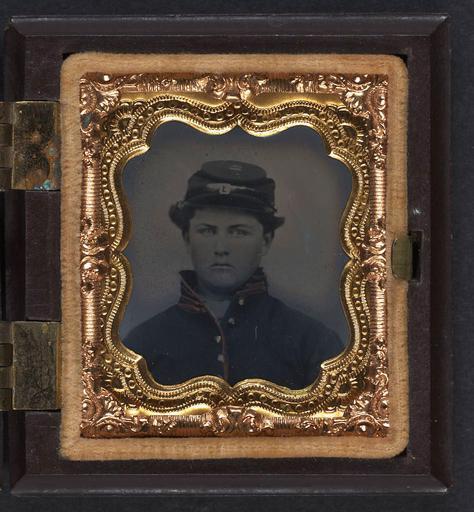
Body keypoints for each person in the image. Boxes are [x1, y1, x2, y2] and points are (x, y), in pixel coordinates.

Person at [124, 160, 344, 389]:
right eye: (207, 231)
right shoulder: (140, 347)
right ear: (188, 238)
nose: (221, 248)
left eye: (239, 232)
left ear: (266, 241)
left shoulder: (314, 344)